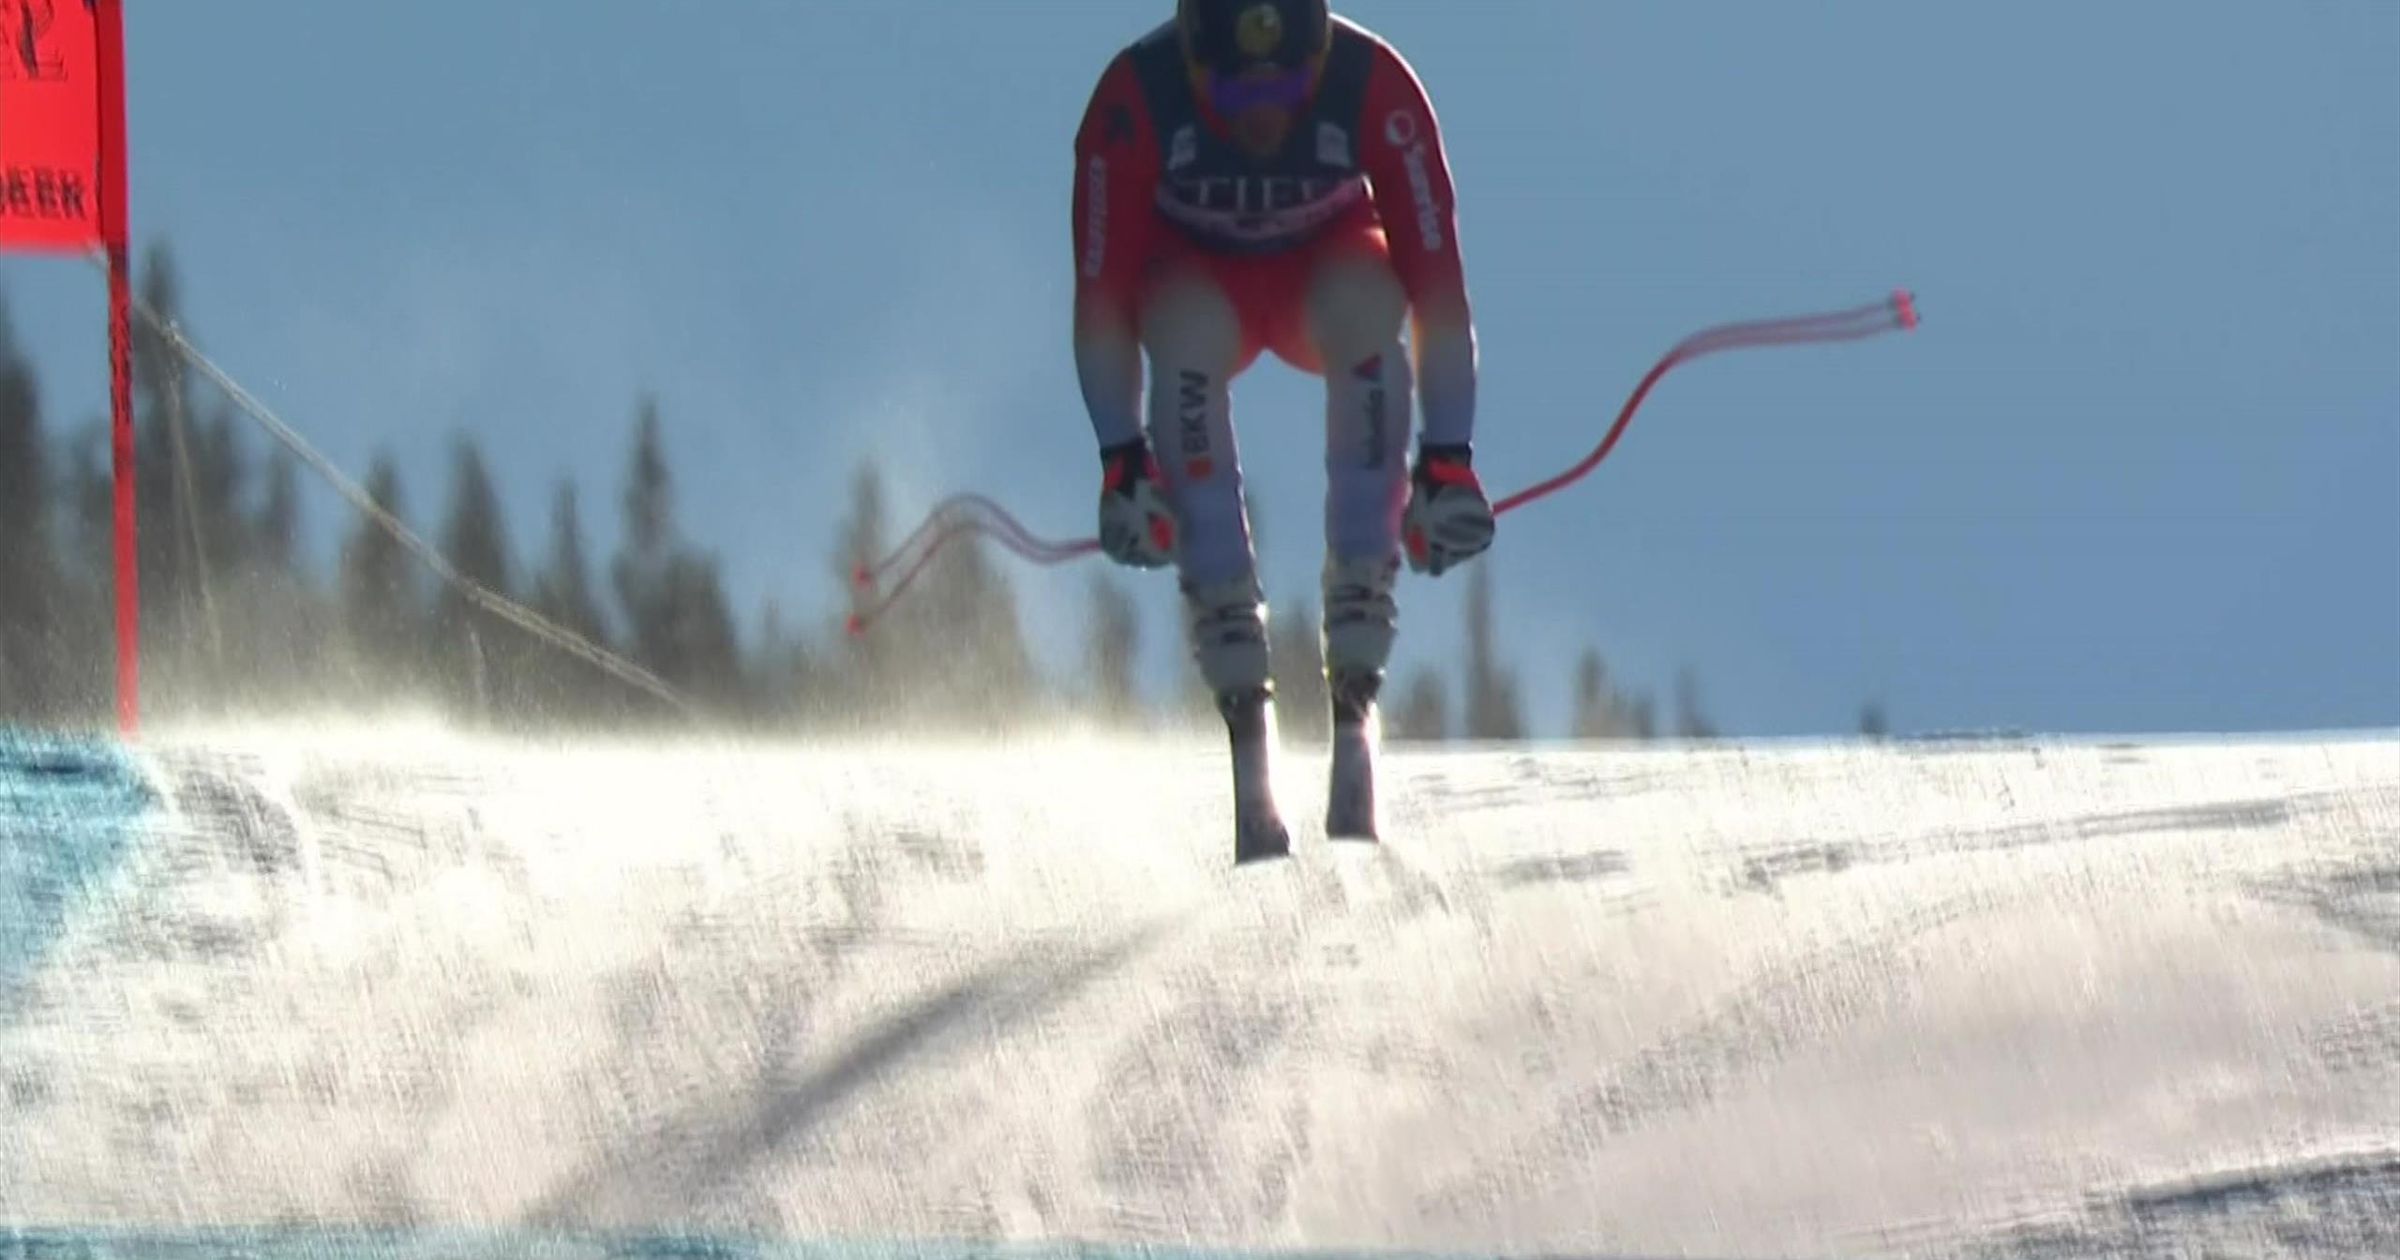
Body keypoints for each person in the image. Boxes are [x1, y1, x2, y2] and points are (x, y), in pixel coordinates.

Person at [1071, 0, 1495, 753]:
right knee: (1181, 329)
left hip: (1323, 282)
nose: (1262, 119)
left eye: (1289, 90)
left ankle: (1364, 587)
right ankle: (1224, 610)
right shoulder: (1133, 102)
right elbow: (1103, 303)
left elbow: (1439, 290)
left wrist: (1447, 460)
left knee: (1371, 303)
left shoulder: (1379, 89)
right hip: (1201, 288)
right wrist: (1122, 461)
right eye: (1234, 95)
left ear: (1322, 57)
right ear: (1195, 63)